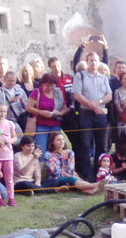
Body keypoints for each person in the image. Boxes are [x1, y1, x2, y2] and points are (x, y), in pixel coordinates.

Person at [72, 52, 112, 180]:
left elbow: (109, 96)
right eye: (90, 60)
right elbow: (77, 95)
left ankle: (99, 172)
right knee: (85, 144)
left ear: (98, 62)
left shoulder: (104, 78)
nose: (93, 63)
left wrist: (99, 103)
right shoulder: (80, 76)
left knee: (101, 144)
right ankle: (87, 173)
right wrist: (91, 105)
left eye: (95, 60)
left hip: (100, 114)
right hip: (86, 114)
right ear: (87, 61)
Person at [25, 73, 70, 157]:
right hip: (41, 126)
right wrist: (41, 112)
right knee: (41, 150)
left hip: (55, 125)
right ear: (43, 83)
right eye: (47, 85)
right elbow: (28, 107)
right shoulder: (37, 92)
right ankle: (40, 167)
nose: (49, 88)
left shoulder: (58, 92)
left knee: (55, 150)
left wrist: (60, 113)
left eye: (52, 86)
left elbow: (64, 107)